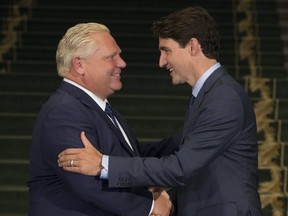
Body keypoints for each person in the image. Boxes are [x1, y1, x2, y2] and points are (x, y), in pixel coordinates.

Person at [58, 7, 263, 216]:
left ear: (192, 46)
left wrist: (103, 164)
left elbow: (180, 168)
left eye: (167, 51)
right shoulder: (210, 94)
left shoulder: (223, 97)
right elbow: (189, 159)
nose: (161, 62)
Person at [28, 22, 173, 216]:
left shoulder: (94, 107)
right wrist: (150, 206)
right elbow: (88, 185)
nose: (122, 63)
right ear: (79, 65)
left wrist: (190, 140)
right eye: (111, 57)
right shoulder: (64, 112)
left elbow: (132, 155)